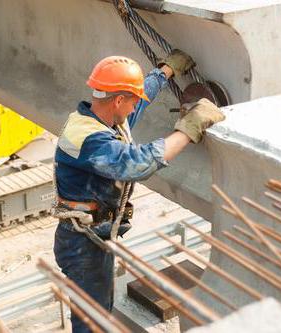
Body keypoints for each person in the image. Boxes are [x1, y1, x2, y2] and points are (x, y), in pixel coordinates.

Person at [53, 51, 225, 332]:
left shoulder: (98, 119)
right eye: (131, 103)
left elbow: (137, 101)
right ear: (118, 100)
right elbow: (138, 164)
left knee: (97, 313)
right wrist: (188, 128)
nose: (134, 110)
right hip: (82, 245)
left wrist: (166, 71)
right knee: (92, 322)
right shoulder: (90, 140)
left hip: (89, 236)